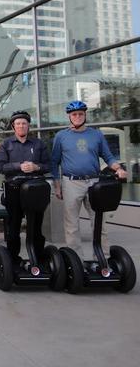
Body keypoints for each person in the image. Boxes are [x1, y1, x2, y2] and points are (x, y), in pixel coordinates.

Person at [51, 100, 127, 258]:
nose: (77, 116)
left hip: (94, 183)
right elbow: (54, 162)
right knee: (71, 225)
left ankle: (102, 259)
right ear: (69, 117)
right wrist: (57, 186)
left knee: (100, 223)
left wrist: (118, 168)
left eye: (80, 114)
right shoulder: (61, 136)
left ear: (85, 115)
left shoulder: (96, 134)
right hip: (71, 183)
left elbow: (108, 156)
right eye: (74, 114)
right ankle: (75, 261)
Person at [0, 111, 50, 266]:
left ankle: (38, 259)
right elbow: (0, 167)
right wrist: (19, 166)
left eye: (24, 123)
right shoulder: (7, 144)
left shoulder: (38, 144)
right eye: (18, 124)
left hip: (35, 189)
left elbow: (48, 166)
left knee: (36, 226)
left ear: (28, 126)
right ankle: (13, 260)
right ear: (14, 126)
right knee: (14, 227)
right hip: (14, 188)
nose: (21, 126)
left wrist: (35, 166)